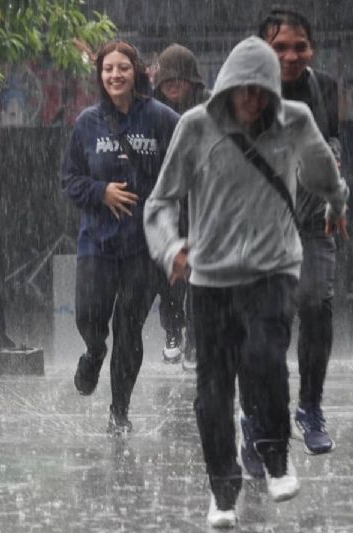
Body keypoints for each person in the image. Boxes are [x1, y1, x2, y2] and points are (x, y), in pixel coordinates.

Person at [144, 36, 348, 528]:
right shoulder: (195, 127)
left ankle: (276, 456)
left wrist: (336, 205)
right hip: (211, 277)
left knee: (264, 359)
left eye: (262, 90)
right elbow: (160, 203)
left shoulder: (294, 121)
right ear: (228, 87)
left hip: (273, 267)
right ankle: (222, 488)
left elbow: (324, 174)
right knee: (212, 389)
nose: (253, 100)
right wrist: (171, 248)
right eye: (244, 90)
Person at [61, 40, 180, 434]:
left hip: (144, 248)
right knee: (89, 317)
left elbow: (185, 173)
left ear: (137, 72)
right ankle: (94, 353)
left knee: (129, 329)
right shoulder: (87, 123)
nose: (115, 75)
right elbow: (70, 179)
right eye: (108, 69)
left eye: (122, 68)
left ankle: (119, 412)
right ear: (100, 76)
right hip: (97, 242)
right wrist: (101, 192)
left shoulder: (163, 119)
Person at [256, 8, 343, 458]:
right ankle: (261, 416)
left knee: (315, 305)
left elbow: (333, 144)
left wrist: (336, 193)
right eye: (279, 47)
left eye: (300, 46)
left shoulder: (325, 87)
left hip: (313, 221)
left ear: (312, 48)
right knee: (267, 323)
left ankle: (310, 408)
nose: (291, 56)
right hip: (258, 226)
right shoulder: (244, 92)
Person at [152, 43, 212, 369]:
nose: (173, 86)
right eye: (167, 80)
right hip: (165, 200)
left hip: (202, 200)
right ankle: (173, 330)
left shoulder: (209, 106)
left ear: (192, 80)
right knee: (170, 273)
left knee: (199, 273)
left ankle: (195, 342)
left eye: (179, 79)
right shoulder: (151, 109)